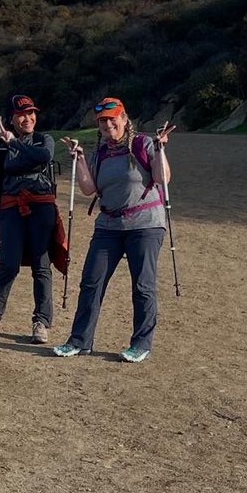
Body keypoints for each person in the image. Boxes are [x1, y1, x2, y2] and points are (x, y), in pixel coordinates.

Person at [53, 97, 176, 363]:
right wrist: (80, 159)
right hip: (108, 225)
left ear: (124, 119)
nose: (108, 124)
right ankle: (79, 341)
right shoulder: (101, 153)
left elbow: (161, 178)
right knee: (91, 282)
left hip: (145, 225)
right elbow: (89, 189)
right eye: (103, 121)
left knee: (142, 286)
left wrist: (159, 146)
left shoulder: (142, 143)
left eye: (113, 119)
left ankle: (140, 344)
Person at [0, 93, 57, 344]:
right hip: (10, 208)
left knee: (41, 266)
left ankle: (41, 322)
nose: (28, 118)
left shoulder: (44, 140)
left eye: (31, 113)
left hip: (41, 208)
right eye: (22, 114)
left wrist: (14, 142)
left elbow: (42, 158)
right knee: (8, 265)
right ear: (12, 118)